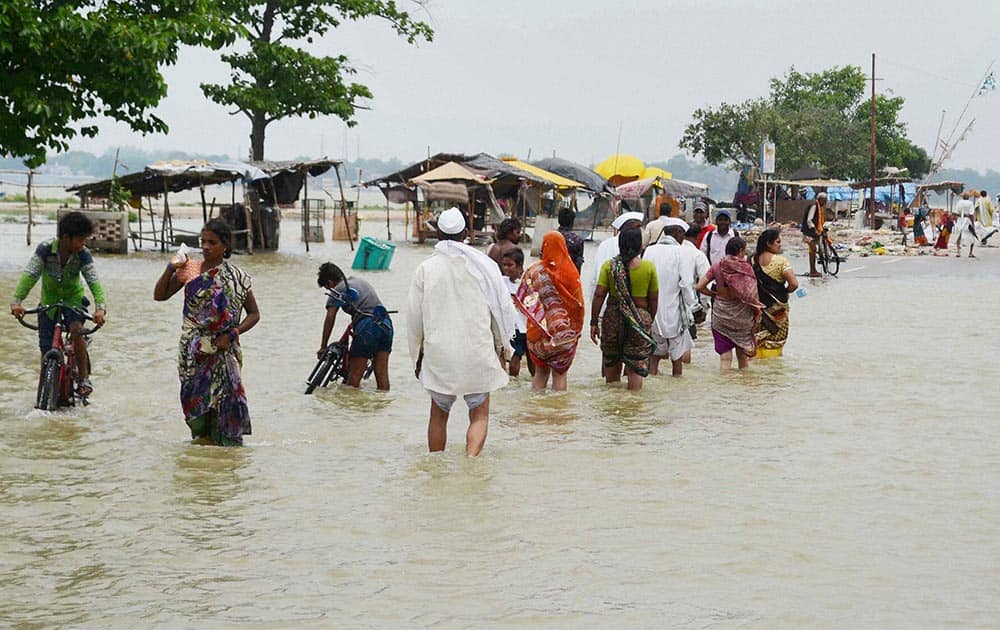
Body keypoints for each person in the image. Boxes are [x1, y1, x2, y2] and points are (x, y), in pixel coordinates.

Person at [407, 207, 516, 456]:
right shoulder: (484, 266)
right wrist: (502, 350)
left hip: (440, 354)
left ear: (438, 234)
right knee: (479, 413)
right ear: (466, 233)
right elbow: (498, 311)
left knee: (438, 413)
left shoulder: (426, 269)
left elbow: (414, 319)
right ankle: (471, 461)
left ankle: (436, 467)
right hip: (477, 351)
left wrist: (417, 356)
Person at [153, 219, 260, 446]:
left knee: (226, 402)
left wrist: (232, 334)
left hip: (224, 348)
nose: (206, 247)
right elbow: (160, 295)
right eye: (203, 241)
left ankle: (225, 450)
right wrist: (171, 267)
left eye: (212, 242)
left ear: (225, 246)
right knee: (196, 404)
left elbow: (254, 315)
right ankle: (204, 448)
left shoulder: (238, 277)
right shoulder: (190, 270)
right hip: (193, 351)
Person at [11, 211, 108, 397]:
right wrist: (17, 301)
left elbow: (93, 280)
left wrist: (100, 308)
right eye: (80, 239)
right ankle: (47, 384)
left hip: (74, 301)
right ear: (65, 237)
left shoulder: (83, 255)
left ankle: (84, 379)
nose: (83, 244)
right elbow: (30, 275)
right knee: (46, 347)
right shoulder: (45, 250)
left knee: (76, 328)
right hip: (49, 303)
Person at [514, 231, 584, 392]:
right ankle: (557, 413)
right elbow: (578, 305)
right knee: (560, 374)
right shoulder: (571, 273)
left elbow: (523, 301)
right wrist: (576, 331)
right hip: (564, 334)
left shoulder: (533, 271)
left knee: (540, 373)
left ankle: (537, 412)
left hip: (537, 334)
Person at [590, 227, 659, 391]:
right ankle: (633, 405)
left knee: (612, 360)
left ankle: (613, 404)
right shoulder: (648, 267)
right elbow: (654, 298)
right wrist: (648, 319)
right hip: (639, 318)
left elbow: (599, 295)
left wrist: (593, 322)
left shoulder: (609, 266)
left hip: (613, 317)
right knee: (636, 365)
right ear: (639, 245)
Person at [315, 262, 393, 390]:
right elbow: (367, 306)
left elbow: (330, 317)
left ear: (330, 283)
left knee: (353, 382)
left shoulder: (338, 289)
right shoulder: (359, 281)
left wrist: (323, 346)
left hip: (368, 327)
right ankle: (382, 407)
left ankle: (350, 409)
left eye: (327, 288)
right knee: (382, 377)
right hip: (386, 323)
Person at [695, 237, 763, 371]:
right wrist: (757, 314)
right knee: (743, 358)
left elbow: (699, 287)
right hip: (742, 317)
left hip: (721, 315)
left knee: (725, 358)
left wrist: (713, 294)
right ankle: (742, 388)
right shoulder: (746, 268)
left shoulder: (717, 266)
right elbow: (752, 295)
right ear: (741, 251)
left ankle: (724, 389)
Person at [642, 218, 696, 377]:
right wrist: (693, 305)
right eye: (682, 235)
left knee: (655, 354)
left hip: (653, 310)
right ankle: (677, 384)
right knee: (677, 357)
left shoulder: (650, 250)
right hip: (674, 311)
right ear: (677, 233)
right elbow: (686, 283)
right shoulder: (682, 252)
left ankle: (652, 379)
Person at [751, 228, 799, 357]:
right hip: (777, 311)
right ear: (768, 243)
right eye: (778, 242)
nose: (780, 244)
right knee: (775, 342)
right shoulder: (780, 261)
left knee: (757, 343)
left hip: (756, 310)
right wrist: (784, 292)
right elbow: (794, 284)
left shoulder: (751, 260)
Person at [587, 211, 644, 302]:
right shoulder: (607, 245)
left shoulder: (604, 244)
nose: (640, 230)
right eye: (638, 227)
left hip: (607, 302)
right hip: (613, 300)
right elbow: (597, 276)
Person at [500, 248, 533, 378]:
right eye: (504, 265)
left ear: (519, 266)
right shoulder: (501, 281)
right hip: (514, 327)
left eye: (510, 265)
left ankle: (533, 384)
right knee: (516, 356)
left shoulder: (527, 283)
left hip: (526, 326)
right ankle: (515, 383)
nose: (506, 268)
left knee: (531, 358)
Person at [801, 192, 828, 277]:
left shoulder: (819, 207)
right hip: (809, 232)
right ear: (821, 200)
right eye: (825, 200)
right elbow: (809, 220)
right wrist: (814, 229)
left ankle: (813, 269)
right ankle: (813, 271)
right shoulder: (814, 206)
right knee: (813, 249)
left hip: (813, 232)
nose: (826, 202)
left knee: (813, 249)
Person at [556, 207, 585, 273]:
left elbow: (542, 258)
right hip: (569, 278)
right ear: (572, 222)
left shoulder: (549, 237)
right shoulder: (577, 240)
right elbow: (578, 265)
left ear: (558, 220)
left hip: (550, 279)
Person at [953, 191, 977, 257]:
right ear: (968, 197)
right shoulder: (970, 203)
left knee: (959, 236)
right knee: (972, 236)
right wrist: (973, 223)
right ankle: (970, 253)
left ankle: (958, 252)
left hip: (960, 220)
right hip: (967, 220)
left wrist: (956, 219)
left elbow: (955, 213)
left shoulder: (959, 202)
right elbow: (971, 214)